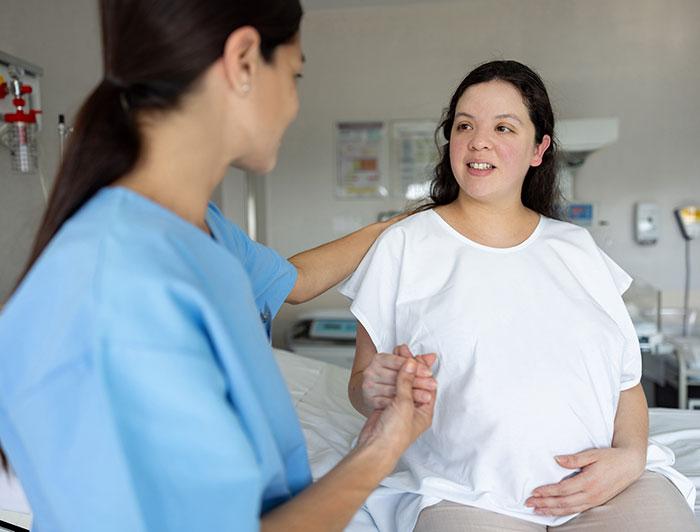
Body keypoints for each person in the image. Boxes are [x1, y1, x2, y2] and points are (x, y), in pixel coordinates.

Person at [0, 1, 439, 530]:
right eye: (295, 75)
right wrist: (381, 449)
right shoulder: (123, 287)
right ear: (245, 60)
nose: (295, 103)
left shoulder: (201, 240)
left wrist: (396, 227)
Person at [340, 60, 698, 531]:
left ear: (538, 148)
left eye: (503, 127)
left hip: (606, 484)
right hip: (466, 491)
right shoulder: (405, 245)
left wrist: (630, 458)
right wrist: (372, 388)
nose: (478, 141)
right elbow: (362, 384)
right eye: (464, 125)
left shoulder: (576, 249)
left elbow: (626, 384)